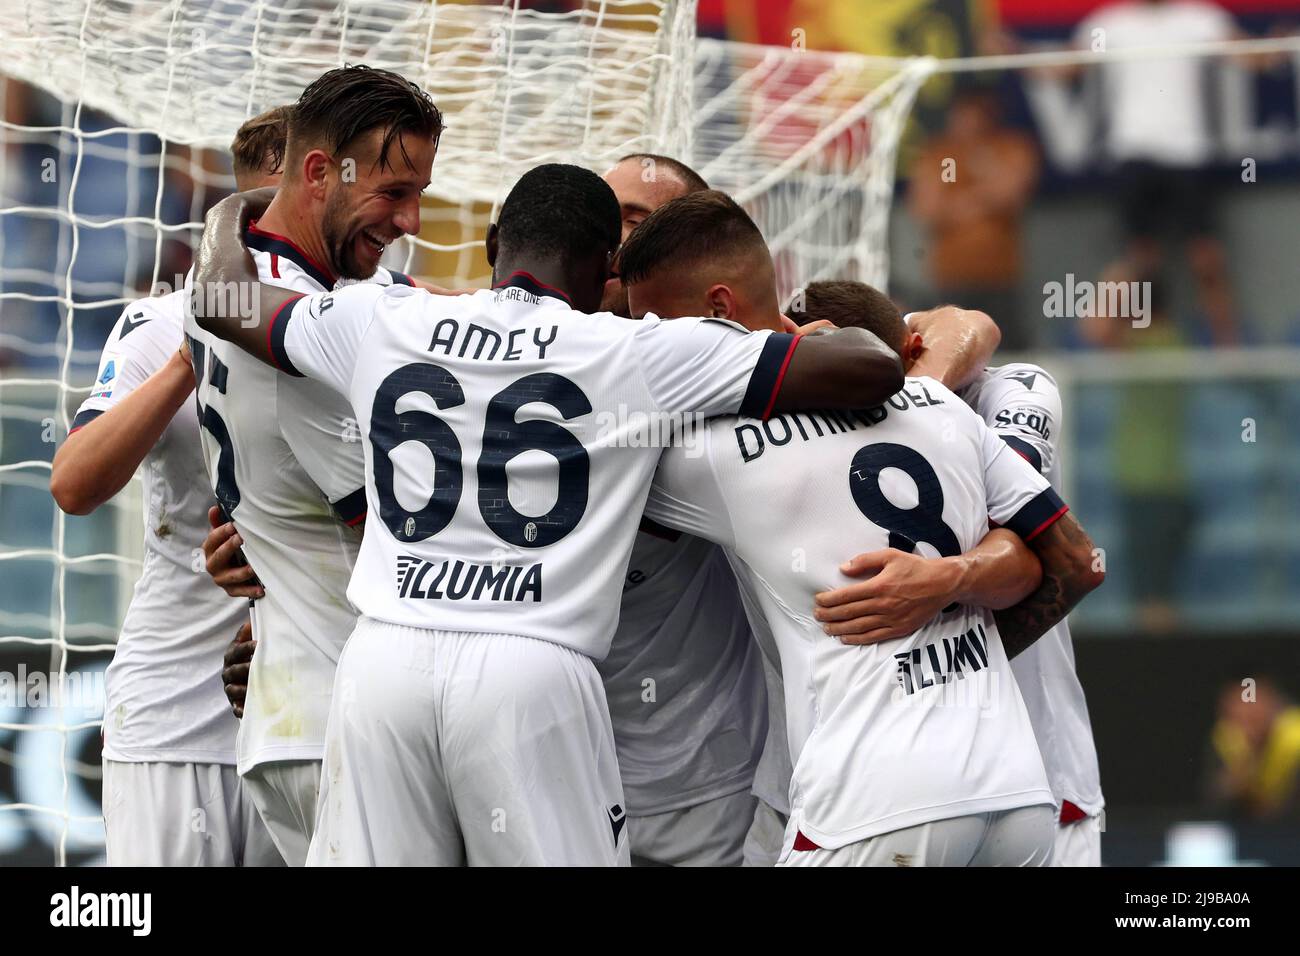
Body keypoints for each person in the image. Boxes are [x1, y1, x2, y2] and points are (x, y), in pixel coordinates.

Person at [191, 160, 906, 866]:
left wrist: (239, 209)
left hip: (383, 663)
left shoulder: (384, 319)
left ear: (492, 246)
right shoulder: (645, 350)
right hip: (531, 671)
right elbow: (872, 366)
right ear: (607, 268)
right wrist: (794, 334)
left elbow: (224, 298)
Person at [620, 190, 1106, 865]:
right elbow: (1075, 561)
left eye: (651, 326)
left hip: (876, 800)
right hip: (1015, 792)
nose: (644, 346)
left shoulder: (711, 453)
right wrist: (954, 621)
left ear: (719, 309)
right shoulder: (935, 402)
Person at [184, 64, 443, 866]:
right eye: (393, 192)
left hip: (302, 704)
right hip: (340, 716)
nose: (409, 220)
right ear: (318, 170)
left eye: (420, 194)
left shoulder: (243, 281)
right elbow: (392, 540)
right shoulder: (310, 332)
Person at [48, 106, 295, 867]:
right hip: (179, 711)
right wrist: (191, 357)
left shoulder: (376, 319)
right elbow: (75, 483)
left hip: (315, 712)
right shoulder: (159, 324)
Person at [801, 280, 1107, 866]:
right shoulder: (809, 445)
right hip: (893, 794)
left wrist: (913, 412)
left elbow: (971, 319)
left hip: (1041, 777)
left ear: (912, 350)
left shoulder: (1014, 392)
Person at [909, 89, 1040, 350]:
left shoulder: (1011, 146)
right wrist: (981, 201)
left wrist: (965, 195)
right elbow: (927, 209)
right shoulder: (938, 154)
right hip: (952, 277)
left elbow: (1011, 193)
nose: (968, 123)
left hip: (1000, 276)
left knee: (1007, 350)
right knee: (950, 348)